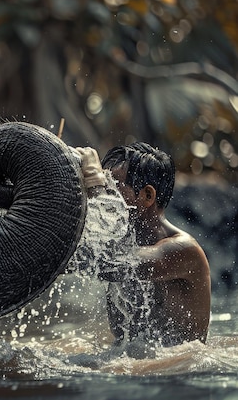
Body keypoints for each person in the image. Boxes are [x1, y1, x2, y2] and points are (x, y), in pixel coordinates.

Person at [75, 143, 211, 355]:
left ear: (147, 195)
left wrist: (94, 180)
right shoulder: (115, 242)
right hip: (134, 364)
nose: (104, 192)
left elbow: (112, 263)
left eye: (112, 185)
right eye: (104, 184)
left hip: (176, 372)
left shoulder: (184, 250)